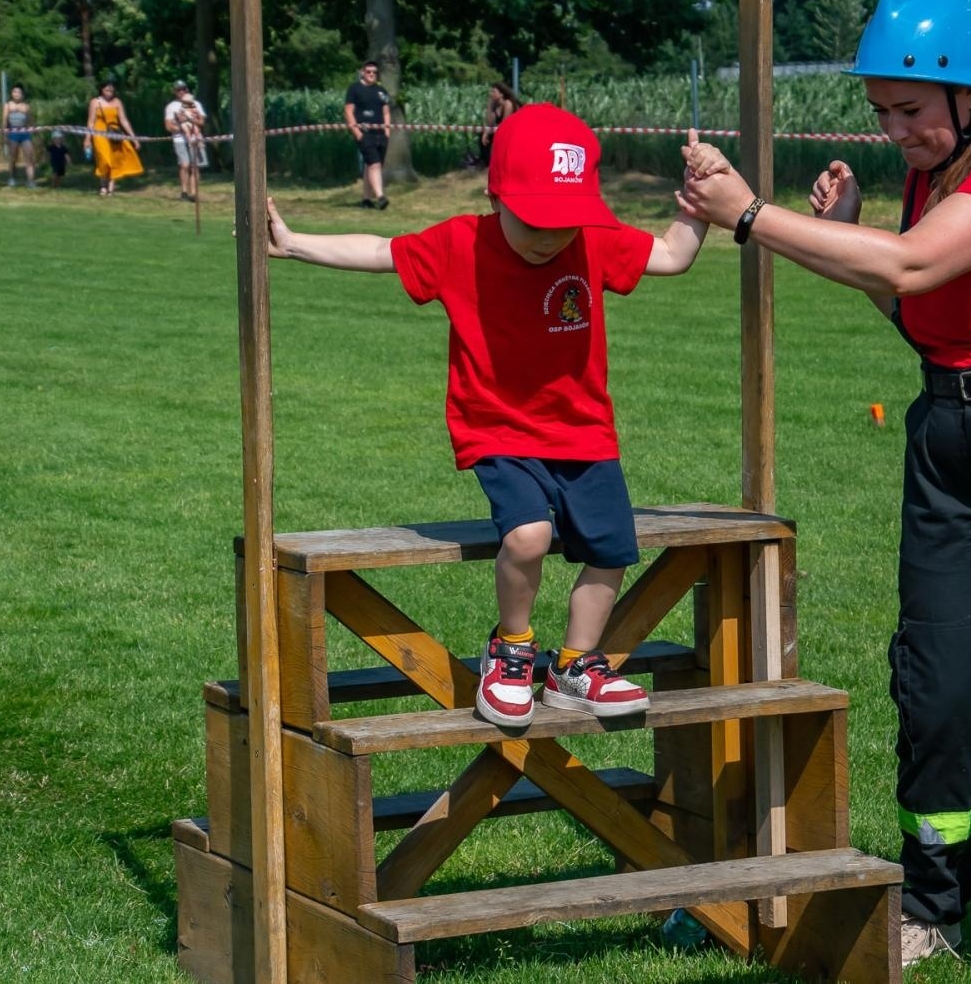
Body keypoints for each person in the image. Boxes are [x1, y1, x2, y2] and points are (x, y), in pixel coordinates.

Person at [676, 0, 971, 984]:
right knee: (936, 682)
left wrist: (753, 216)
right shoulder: (929, 183)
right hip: (952, 439)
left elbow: (911, 268)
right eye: (883, 112)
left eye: (913, 112)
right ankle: (930, 904)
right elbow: (917, 310)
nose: (897, 132)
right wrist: (844, 237)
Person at [267, 104, 713, 728]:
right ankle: (511, 652)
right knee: (527, 535)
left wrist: (699, 205)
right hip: (497, 429)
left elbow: (671, 254)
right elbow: (378, 249)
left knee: (612, 546)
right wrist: (293, 244)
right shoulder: (459, 243)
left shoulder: (593, 242)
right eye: (536, 220)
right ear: (495, 193)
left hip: (585, 432)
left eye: (566, 222)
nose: (551, 236)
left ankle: (577, 666)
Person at [344, 60, 392, 209]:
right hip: (364, 134)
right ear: (363, 72)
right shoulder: (354, 89)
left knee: (370, 166)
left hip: (380, 134)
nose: (371, 74)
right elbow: (348, 111)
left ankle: (366, 199)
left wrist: (387, 131)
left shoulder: (381, 91)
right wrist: (357, 132)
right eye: (368, 72)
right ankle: (380, 197)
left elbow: (386, 112)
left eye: (374, 72)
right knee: (374, 164)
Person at [85, 80, 144, 196]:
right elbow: (91, 122)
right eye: (107, 90)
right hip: (99, 133)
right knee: (104, 160)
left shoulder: (117, 102)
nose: (109, 93)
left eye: (111, 90)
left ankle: (110, 188)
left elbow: (124, 120)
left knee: (114, 160)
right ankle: (103, 186)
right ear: (101, 90)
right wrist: (87, 138)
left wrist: (134, 138)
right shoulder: (95, 102)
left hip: (114, 133)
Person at [165, 79, 209, 202]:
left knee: (195, 166)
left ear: (187, 90)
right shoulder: (171, 106)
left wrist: (190, 121)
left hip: (195, 137)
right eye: (179, 89)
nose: (181, 91)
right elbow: (168, 126)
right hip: (179, 139)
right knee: (185, 165)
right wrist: (181, 127)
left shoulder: (196, 104)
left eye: (183, 89)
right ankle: (184, 191)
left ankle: (193, 193)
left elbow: (201, 122)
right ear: (175, 91)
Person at [479, 81, 523, 166]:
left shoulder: (508, 104)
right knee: (482, 134)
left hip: (514, 132)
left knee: (494, 135)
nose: (490, 94)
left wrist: (489, 131)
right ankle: (486, 162)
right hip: (500, 130)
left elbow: (505, 124)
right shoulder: (494, 104)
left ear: (501, 95)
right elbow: (490, 123)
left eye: (494, 92)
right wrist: (489, 107)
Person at [3, 85, 36, 188]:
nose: (16, 94)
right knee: (13, 158)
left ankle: (30, 181)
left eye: (18, 92)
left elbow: (31, 120)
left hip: (24, 133)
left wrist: (31, 127)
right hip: (13, 133)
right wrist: (4, 135)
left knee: (29, 157)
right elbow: (4, 121)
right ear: (11, 93)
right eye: (14, 92)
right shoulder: (8, 105)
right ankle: (12, 178)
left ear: (22, 94)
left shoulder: (26, 106)